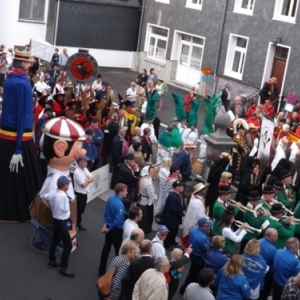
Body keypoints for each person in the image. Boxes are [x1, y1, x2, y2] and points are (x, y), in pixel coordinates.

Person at [0, 51, 43, 221]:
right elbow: (23, 111)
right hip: (20, 136)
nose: (30, 64)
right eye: (28, 62)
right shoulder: (23, 84)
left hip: (5, 132)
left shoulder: (10, 79)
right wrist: (18, 147)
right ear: (24, 64)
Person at [42, 176, 74, 277]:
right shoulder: (63, 197)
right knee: (68, 245)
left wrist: (51, 208)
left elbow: (43, 198)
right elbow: (65, 210)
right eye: (68, 184)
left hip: (55, 220)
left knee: (55, 240)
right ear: (64, 185)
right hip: (61, 222)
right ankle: (64, 268)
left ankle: (52, 261)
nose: (68, 185)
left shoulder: (54, 192)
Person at [98, 183, 127, 276]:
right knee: (119, 252)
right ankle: (118, 272)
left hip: (109, 228)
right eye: (125, 190)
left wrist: (105, 224)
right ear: (120, 192)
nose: (127, 192)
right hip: (116, 231)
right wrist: (109, 229)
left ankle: (101, 269)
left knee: (106, 248)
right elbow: (118, 221)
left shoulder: (110, 198)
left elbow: (106, 211)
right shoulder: (120, 206)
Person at [179, 217, 213, 295]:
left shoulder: (194, 229)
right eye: (208, 226)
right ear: (203, 227)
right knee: (194, 276)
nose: (210, 227)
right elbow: (207, 248)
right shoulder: (203, 238)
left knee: (192, 273)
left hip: (193, 253)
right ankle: (184, 290)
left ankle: (184, 289)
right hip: (199, 257)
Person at [181, 182, 209, 249]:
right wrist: (206, 218)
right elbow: (200, 216)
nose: (206, 190)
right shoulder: (197, 202)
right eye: (204, 189)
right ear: (200, 191)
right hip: (194, 222)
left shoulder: (195, 196)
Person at [161, 180, 186, 249]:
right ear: (175, 188)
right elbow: (176, 208)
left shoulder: (178, 194)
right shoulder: (173, 196)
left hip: (175, 217)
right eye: (179, 186)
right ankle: (167, 244)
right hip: (171, 217)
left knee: (175, 230)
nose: (181, 188)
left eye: (182, 186)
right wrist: (182, 212)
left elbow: (182, 204)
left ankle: (172, 241)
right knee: (170, 231)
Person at [73, 156, 94, 231]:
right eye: (85, 162)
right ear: (80, 162)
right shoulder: (77, 172)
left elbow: (92, 178)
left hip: (84, 194)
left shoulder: (85, 169)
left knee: (81, 210)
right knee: (78, 211)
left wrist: (87, 181)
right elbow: (83, 185)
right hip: (79, 195)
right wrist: (88, 180)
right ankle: (76, 225)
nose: (86, 163)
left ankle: (77, 224)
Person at [259, 228, 278, 300]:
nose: (277, 237)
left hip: (259, 270)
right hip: (267, 274)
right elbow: (275, 263)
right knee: (265, 291)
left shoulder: (260, 240)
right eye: (276, 236)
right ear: (270, 237)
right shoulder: (273, 250)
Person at [138, 166, 156, 234]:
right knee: (145, 218)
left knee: (142, 218)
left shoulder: (142, 179)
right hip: (146, 202)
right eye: (151, 171)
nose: (152, 173)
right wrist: (151, 202)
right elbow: (151, 195)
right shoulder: (148, 182)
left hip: (142, 200)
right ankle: (144, 231)